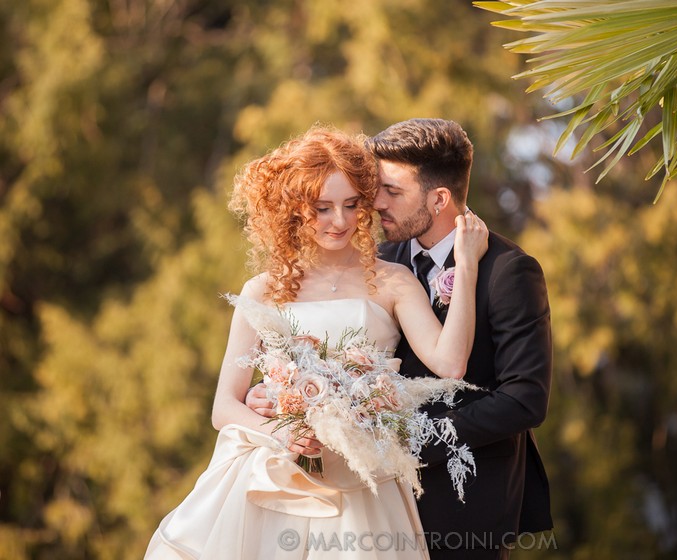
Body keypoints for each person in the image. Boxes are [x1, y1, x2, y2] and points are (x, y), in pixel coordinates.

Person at [144, 125, 488, 560]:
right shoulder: (261, 290)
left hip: (363, 481)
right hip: (271, 477)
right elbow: (224, 407)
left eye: (351, 204)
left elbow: (451, 364)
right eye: (323, 208)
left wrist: (467, 266)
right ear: (293, 208)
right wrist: (285, 433)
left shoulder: (393, 281)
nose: (340, 221)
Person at [249, 118, 553, 559]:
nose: (375, 203)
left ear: (439, 198)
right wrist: (276, 395)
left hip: (463, 500)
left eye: (392, 191)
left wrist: (405, 440)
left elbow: (524, 400)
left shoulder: (508, 272)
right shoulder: (377, 261)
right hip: (366, 497)